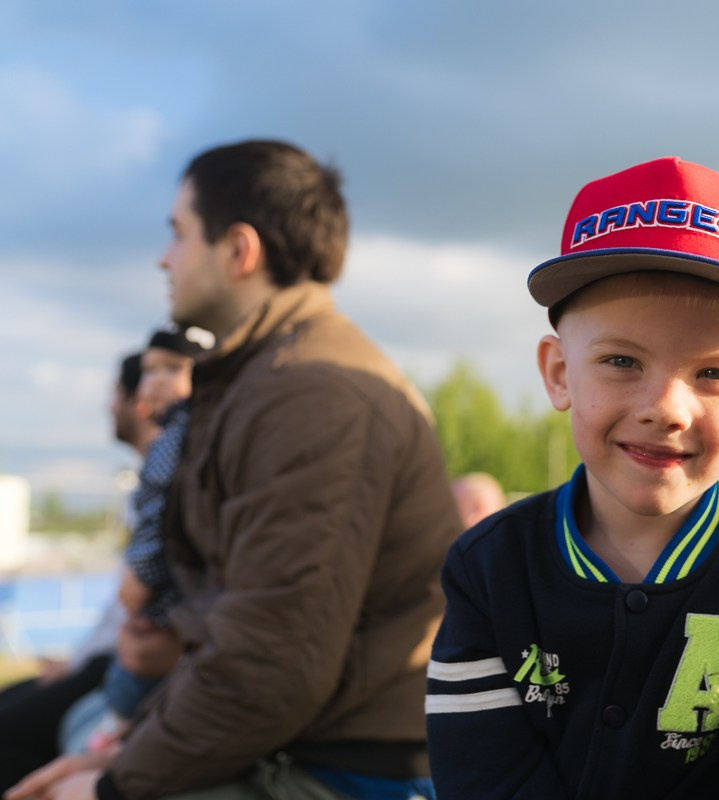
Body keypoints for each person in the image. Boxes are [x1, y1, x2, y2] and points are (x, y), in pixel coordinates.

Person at [10, 140, 462, 800]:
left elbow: (269, 669)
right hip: (298, 741)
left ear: (240, 250)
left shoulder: (311, 393)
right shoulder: (265, 377)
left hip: (344, 768)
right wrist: (126, 751)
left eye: (179, 233)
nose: (164, 257)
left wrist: (115, 783)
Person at [426, 156, 719, 798]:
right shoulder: (487, 569)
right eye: (622, 360)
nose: (665, 406)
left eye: (713, 373)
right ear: (557, 372)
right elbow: (483, 779)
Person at [0, 352, 156, 791]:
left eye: (114, 394)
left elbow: (134, 601)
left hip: (130, 664)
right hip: (114, 660)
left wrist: (81, 665)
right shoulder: (149, 483)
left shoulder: (165, 485)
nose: (108, 406)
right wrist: (74, 663)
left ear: (138, 401)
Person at [66, 328, 204, 756]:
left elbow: (153, 539)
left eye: (174, 368)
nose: (159, 381)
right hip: (152, 637)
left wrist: (137, 583)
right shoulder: (177, 445)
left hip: (162, 638)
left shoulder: (175, 447)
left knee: (88, 732)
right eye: (150, 371)